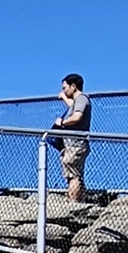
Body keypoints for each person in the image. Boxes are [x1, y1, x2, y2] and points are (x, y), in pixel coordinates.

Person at [50, 73, 92, 201]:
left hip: (75, 145)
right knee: (73, 174)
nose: (63, 91)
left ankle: (74, 203)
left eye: (65, 88)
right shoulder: (78, 101)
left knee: (73, 176)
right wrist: (64, 97)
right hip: (73, 145)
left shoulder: (82, 99)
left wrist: (62, 123)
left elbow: (77, 116)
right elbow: (72, 107)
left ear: (73, 86)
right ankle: (80, 200)